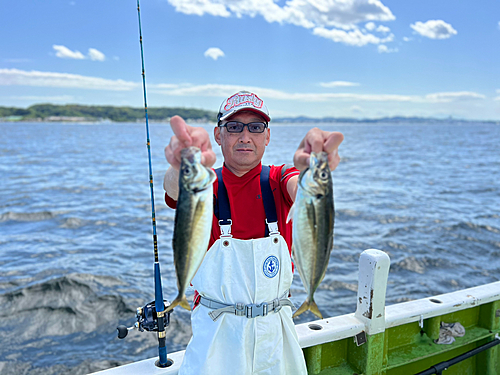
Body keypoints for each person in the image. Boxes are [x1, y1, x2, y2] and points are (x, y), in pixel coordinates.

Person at [164, 91, 343, 375]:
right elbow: (175, 189)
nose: (245, 136)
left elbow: (300, 186)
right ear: (218, 135)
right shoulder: (203, 185)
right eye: (234, 127)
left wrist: (312, 173)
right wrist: (181, 165)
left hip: (276, 338)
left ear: (267, 136)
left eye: (255, 127)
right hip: (216, 342)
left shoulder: (279, 178)